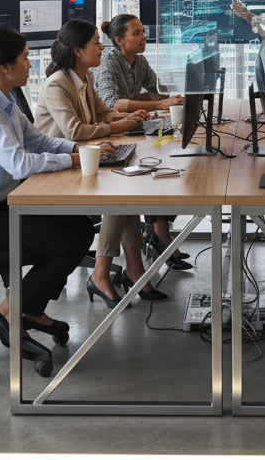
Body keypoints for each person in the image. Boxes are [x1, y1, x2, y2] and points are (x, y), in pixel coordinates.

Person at [0, 26, 109, 344]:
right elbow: (19, 162)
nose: (31, 64)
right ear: (5, 67)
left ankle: (29, 309)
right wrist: (74, 161)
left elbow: (39, 141)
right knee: (65, 244)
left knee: (81, 229)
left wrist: (77, 150)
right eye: (25, 58)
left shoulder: (4, 102)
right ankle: (8, 311)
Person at [34, 19, 168, 307]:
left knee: (128, 188)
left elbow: (102, 112)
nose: (101, 47)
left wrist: (126, 118)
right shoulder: (58, 83)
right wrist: (118, 126)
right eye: (96, 42)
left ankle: (134, 270)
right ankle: (102, 273)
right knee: (121, 194)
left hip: (83, 160)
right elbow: (75, 130)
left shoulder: (84, 78)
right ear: (78, 51)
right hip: (57, 169)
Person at [94, 13, 190, 269]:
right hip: (112, 133)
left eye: (143, 31)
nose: (143, 37)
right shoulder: (109, 60)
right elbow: (111, 102)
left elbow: (156, 90)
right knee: (152, 165)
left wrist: (176, 98)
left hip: (132, 127)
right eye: (136, 33)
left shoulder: (140, 61)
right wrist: (156, 102)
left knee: (166, 160)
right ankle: (160, 234)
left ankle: (159, 231)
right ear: (119, 40)